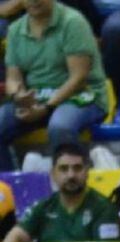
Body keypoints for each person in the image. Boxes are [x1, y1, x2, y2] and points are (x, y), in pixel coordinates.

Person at [0, 0, 109, 170]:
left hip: (82, 96)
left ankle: (69, 184)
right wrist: (19, 96)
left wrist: (46, 108)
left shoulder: (73, 22)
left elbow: (78, 78)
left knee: (60, 126)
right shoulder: (15, 30)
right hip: (38, 99)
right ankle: (8, 188)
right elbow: (13, 78)